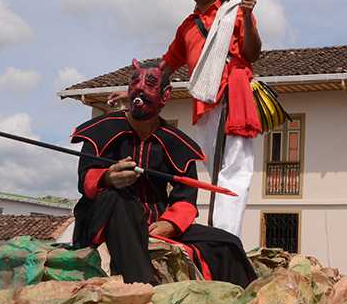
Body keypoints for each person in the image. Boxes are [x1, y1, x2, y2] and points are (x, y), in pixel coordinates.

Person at [110, 0, 262, 237]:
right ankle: (219, 232)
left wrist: (250, 16)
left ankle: (226, 236)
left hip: (233, 95)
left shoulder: (235, 11)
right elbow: (165, 66)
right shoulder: (187, 26)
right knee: (214, 172)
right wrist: (133, 91)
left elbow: (252, 53)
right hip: (204, 99)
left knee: (235, 172)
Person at [72, 59, 257, 287]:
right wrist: (108, 177)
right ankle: (142, 285)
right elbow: (84, 179)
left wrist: (170, 224)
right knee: (119, 198)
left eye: (149, 84)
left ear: (165, 95)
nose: (139, 88)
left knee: (226, 242)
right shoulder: (100, 129)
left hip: (156, 223)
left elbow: (186, 199)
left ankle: (247, 298)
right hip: (102, 219)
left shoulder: (177, 143)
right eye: (134, 83)